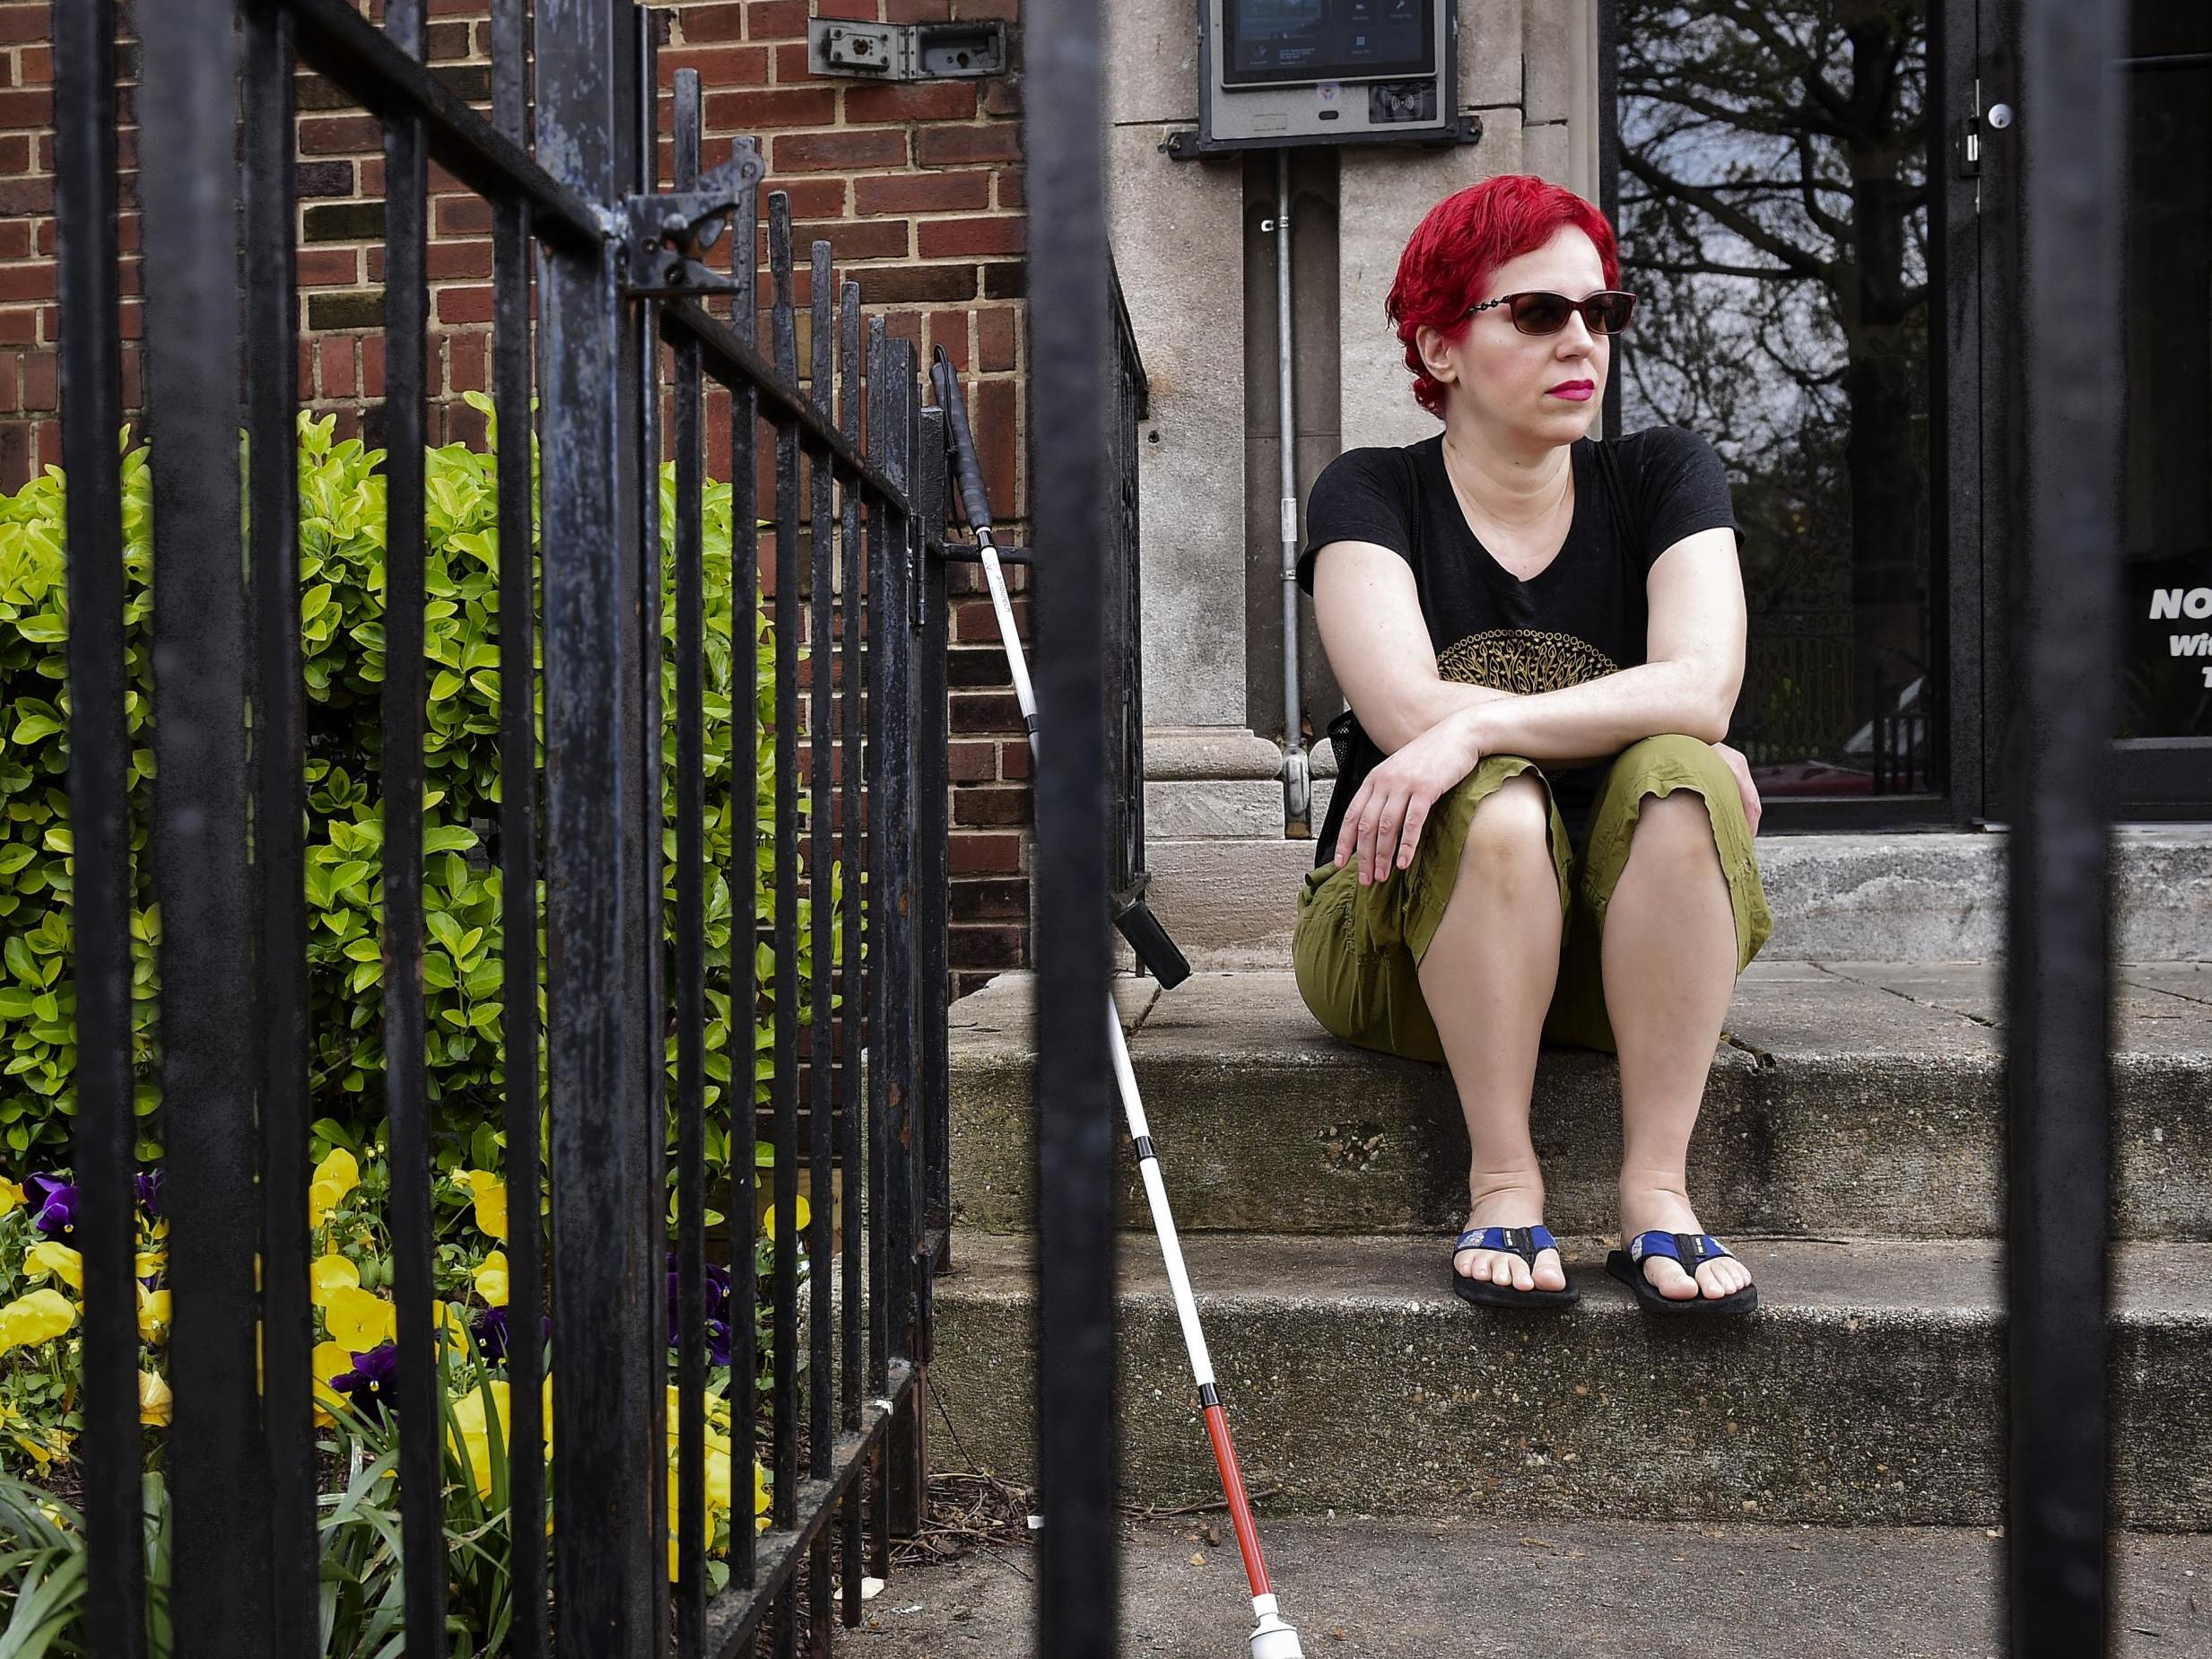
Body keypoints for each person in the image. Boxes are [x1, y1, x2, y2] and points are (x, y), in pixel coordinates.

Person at [1290, 174, 1775, 1316]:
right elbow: (1405, 710)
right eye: (1539, 312)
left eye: (1601, 313)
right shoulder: (1371, 492)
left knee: (1684, 779)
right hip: (1399, 947)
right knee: (1498, 804)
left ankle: (1657, 1193)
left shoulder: (1662, 475)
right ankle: (1503, 1176)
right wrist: (1625, 707)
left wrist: (1491, 725)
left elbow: (1704, 687)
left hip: (1619, 957)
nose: (1583, 341)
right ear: (1441, 346)